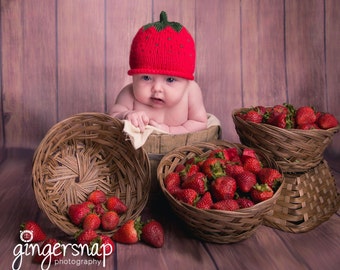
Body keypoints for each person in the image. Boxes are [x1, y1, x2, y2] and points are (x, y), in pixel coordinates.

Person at [110, 11, 207, 134]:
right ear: (134, 76)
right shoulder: (129, 93)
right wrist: (125, 114)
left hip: (181, 150)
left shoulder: (191, 91)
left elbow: (200, 123)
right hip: (137, 152)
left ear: (186, 81)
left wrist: (172, 131)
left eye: (170, 79)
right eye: (146, 77)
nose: (157, 88)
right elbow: (112, 117)